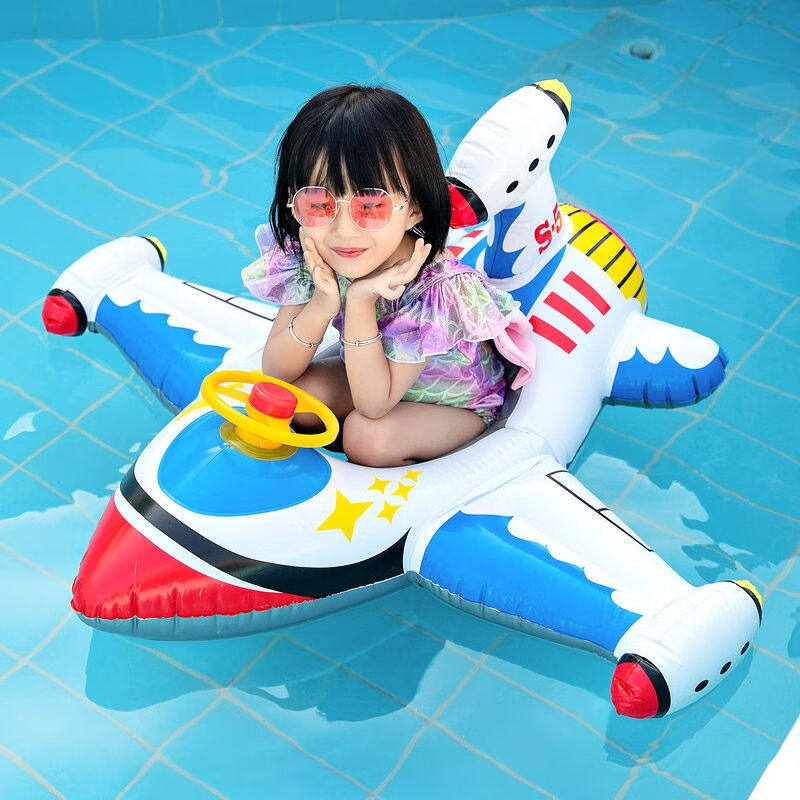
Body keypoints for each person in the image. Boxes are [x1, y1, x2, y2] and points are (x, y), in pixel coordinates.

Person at [241, 84, 534, 467]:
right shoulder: (312, 250)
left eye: (371, 205)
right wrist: (322, 304)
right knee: (298, 401)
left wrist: (360, 301)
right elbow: (277, 370)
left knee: (367, 438)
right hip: (371, 372)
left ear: (414, 209)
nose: (343, 231)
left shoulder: (438, 291)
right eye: (318, 202)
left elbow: (374, 405)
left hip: (454, 403)